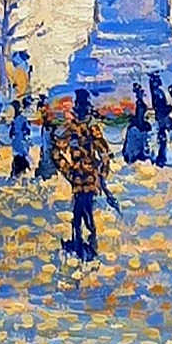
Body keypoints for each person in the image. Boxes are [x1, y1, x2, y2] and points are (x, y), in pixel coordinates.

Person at [53, 87, 113, 261]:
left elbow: (104, 152)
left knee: (82, 210)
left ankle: (85, 244)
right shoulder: (71, 128)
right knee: (82, 210)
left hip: (88, 177)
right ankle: (84, 243)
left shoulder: (91, 128)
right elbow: (57, 151)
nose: (82, 110)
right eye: (80, 107)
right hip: (78, 178)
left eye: (83, 107)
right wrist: (67, 170)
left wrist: (102, 173)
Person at [122, 81, 153, 164]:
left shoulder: (140, 103)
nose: (142, 94)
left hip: (140, 124)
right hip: (139, 125)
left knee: (141, 140)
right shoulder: (139, 103)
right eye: (140, 93)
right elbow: (139, 115)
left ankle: (137, 154)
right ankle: (134, 155)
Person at [148, 70, 172, 167]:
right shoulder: (157, 93)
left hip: (161, 117)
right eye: (158, 79)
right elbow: (161, 107)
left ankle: (160, 158)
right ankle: (160, 159)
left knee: (161, 138)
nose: (160, 81)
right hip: (162, 117)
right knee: (162, 138)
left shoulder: (156, 92)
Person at [7, 100, 31, 179]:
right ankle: (17, 172)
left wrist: (25, 137)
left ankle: (19, 171)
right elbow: (12, 130)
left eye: (14, 107)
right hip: (16, 141)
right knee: (17, 155)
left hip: (21, 141)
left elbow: (27, 130)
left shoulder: (22, 118)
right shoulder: (15, 119)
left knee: (20, 156)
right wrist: (11, 133)